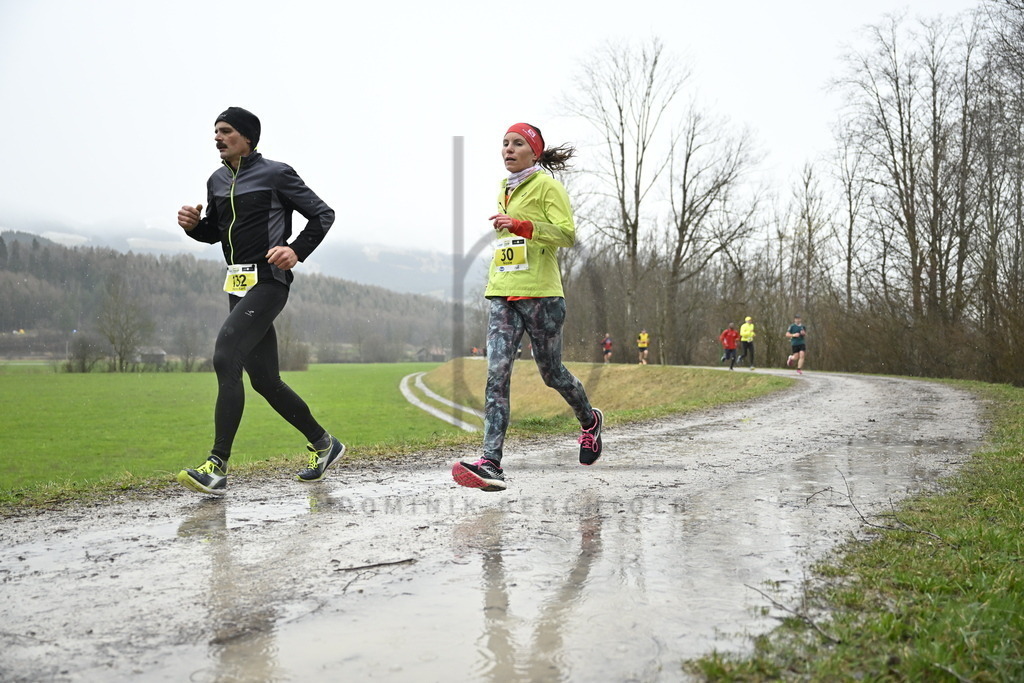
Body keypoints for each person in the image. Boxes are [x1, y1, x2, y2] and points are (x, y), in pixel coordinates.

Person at [175, 106, 345, 495]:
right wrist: (192, 227)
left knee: (224, 356)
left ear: (247, 137)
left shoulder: (276, 173)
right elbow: (215, 232)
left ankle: (215, 466)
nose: (218, 137)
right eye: (215, 132)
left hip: (269, 282)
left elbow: (322, 214)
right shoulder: (217, 180)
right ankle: (324, 443)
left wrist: (296, 251)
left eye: (226, 131)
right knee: (266, 381)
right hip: (237, 286)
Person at [451, 122, 604, 492]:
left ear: (534, 152)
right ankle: (491, 461)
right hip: (503, 293)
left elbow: (567, 233)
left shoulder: (548, 187)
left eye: (517, 143)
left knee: (551, 373)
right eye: (504, 143)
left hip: (542, 296)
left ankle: (589, 421)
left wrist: (523, 225)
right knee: (496, 375)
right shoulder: (505, 188)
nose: (508, 149)